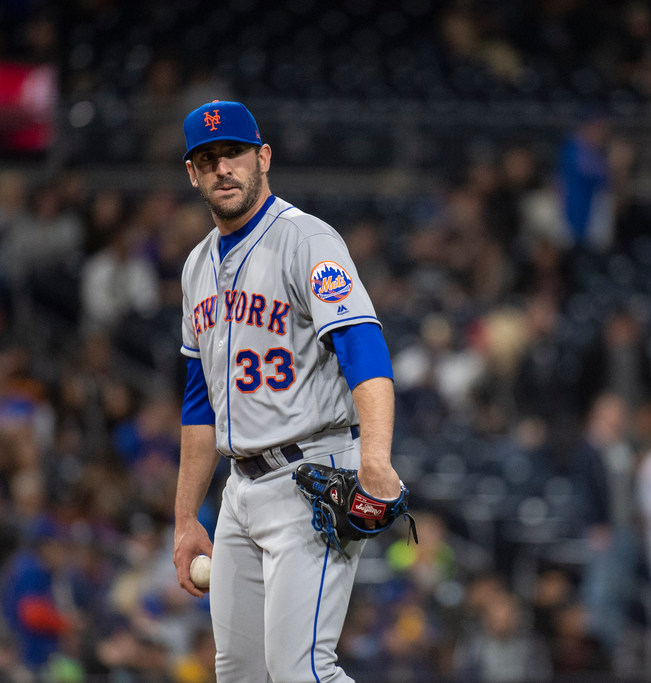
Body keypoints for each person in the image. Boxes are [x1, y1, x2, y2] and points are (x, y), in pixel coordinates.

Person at [170, 100, 404, 682]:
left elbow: (364, 349)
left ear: (263, 158)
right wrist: (184, 518)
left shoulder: (306, 239)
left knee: (302, 671)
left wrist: (374, 457)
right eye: (208, 158)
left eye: (235, 154)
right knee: (240, 673)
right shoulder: (197, 266)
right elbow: (200, 404)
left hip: (312, 474)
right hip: (238, 492)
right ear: (192, 173)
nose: (223, 168)